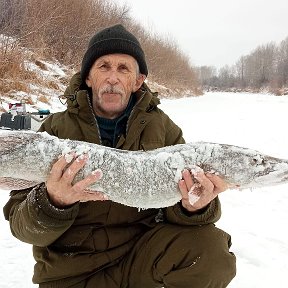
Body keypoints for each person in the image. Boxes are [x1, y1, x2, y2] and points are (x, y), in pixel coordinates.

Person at [3, 24, 236, 288]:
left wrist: (196, 207)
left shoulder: (164, 130)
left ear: (138, 81)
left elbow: (182, 209)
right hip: (68, 272)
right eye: (103, 66)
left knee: (209, 250)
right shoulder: (54, 131)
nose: (112, 78)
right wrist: (54, 201)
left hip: (140, 260)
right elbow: (22, 226)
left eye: (123, 68)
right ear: (88, 77)